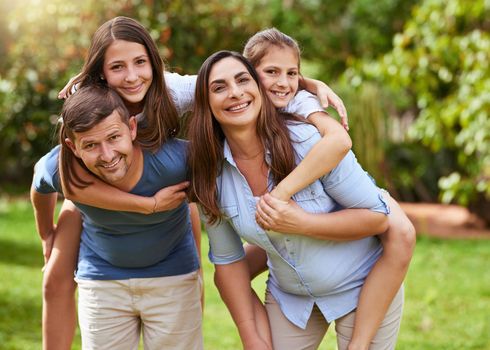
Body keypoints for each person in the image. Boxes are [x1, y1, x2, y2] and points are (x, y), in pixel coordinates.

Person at [44, 16, 350, 350]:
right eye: (117, 67)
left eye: (140, 63)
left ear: (153, 62)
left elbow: (237, 74)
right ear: (100, 71)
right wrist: (144, 206)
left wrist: (304, 82)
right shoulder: (89, 105)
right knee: (55, 277)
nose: (132, 77)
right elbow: (66, 180)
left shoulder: (172, 92)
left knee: (189, 273)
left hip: (170, 185)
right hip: (100, 194)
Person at [187, 50, 410, 350]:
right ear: (206, 104)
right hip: (291, 300)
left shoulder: (307, 139)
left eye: (243, 80)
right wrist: (252, 338)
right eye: (219, 87)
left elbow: (377, 218)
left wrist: (302, 223)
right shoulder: (210, 175)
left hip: (361, 283)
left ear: (258, 88)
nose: (235, 93)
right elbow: (228, 263)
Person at [241, 28, 416, 349]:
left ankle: (360, 343)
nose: (283, 81)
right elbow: (214, 78)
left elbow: (338, 141)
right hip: (295, 284)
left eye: (292, 73)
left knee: (400, 233)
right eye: (272, 72)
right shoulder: (238, 111)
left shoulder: (300, 105)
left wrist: (279, 195)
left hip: (352, 204)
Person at [31, 85, 203, 350]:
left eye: (113, 138)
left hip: (172, 276)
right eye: (90, 145)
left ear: (132, 128)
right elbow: (39, 187)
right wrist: (46, 233)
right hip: (102, 279)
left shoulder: (175, 160)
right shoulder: (60, 168)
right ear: (72, 146)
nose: (107, 155)